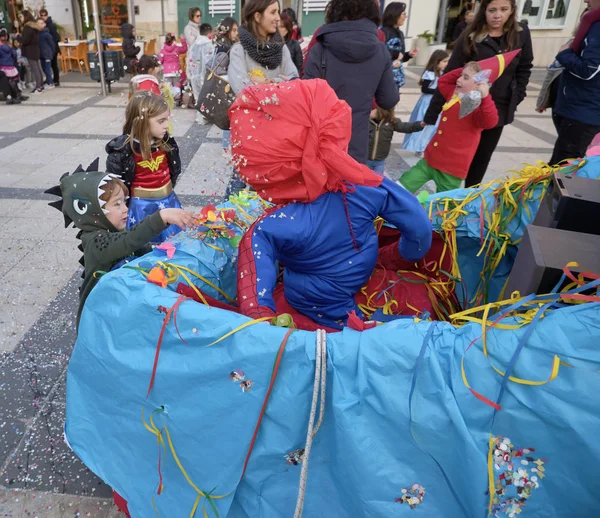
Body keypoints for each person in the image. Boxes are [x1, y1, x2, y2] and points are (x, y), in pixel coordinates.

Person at [231, 79, 433, 329]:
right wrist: (393, 258)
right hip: (365, 278)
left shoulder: (272, 225)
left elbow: (254, 298)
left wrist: (262, 320)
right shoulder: (364, 184)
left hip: (312, 301)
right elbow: (420, 227)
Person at [44, 159, 195, 327]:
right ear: (93, 211)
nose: (125, 208)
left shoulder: (116, 230)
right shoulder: (95, 241)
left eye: (124, 201)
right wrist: (161, 217)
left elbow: (142, 250)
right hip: (100, 318)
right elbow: (127, 241)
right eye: (117, 204)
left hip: (123, 308)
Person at [423, 0, 533, 188]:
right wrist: (431, 114)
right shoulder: (471, 36)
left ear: (512, 10)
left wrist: (517, 96)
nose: (497, 15)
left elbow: (524, 68)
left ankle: (470, 199)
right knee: (459, 158)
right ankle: (450, 196)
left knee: (481, 159)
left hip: (498, 109)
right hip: (468, 111)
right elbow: (451, 72)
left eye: (503, 9)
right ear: (484, 11)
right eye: (492, 10)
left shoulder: (521, 34)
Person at [398, 52, 522, 196]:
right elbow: (443, 81)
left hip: (451, 170)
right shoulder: (454, 93)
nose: (459, 79)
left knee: (445, 209)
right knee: (402, 186)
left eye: (465, 77)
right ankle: (386, 210)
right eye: (460, 75)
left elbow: (491, 121)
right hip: (430, 160)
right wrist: (468, 70)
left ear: (479, 84)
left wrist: (485, 96)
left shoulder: (477, 106)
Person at [304, 0, 399, 165]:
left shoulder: (321, 48)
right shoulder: (380, 50)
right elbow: (389, 99)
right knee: (350, 189)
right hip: (356, 144)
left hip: (321, 143)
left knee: (321, 188)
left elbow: (305, 96)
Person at [105, 92, 184, 243]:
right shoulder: (123, 151)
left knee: (173, 242)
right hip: (141, 208)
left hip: (168, 200)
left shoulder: (166, 143)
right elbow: (115, 186)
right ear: (140, 122)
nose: (166, 125)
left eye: (166, 119)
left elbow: (174, 169)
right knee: (145, 244)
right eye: (161, 121)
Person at [549, 0, 600, 165]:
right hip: (580, 108)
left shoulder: (597, 27)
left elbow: (589, 70)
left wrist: (564, 54)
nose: (585, 0)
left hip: (583, 112)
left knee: (563, 173)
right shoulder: (592, 21)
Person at [228, 0, 299, 96]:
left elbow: (294, 82)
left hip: (281, 110)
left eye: (278, 12)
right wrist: (280, 83)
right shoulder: (239, 51)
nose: (278, 18)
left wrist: (268, 81)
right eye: (273, 12)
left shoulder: (281, 48)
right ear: (257, 16)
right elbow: (243, 91)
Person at [402, 50, 449, 156]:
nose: (446, 64)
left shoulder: (442, 73)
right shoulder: (430, 73)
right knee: (425, 124)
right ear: (437, 61)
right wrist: (438, 92)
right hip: (427, 102)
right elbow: (425, 89)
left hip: (435, 102)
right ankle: (419, 147)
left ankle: (426, 146)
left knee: (434, 126)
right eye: (444, 61)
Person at [206, 17, 239, 152]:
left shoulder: (221, 45)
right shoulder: (226, 47)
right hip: (227, 86)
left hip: (226, 85)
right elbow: (221, 69)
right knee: (229, 117)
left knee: (229, 116)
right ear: (227, 31)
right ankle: (227, 145)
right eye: (234, 30)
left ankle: (227, 144)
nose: (237, 33)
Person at [367, 105, 424, 174]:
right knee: (363, 181)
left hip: (380, 160)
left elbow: (405, 127)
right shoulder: (366, 121)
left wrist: (420, 125)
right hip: (365, 159)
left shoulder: (391, 121)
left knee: (377, 180)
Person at [381, 2, 418, 89]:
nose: (406, 17)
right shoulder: (383, 32)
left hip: (396, 80)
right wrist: (395, 55)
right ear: (395, 14)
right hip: (384, 79)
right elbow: (380, 54)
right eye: (403, 14)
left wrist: (408, 55)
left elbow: (400, 58)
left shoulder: (400, 33)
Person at [188, 23, 215, 102]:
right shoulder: (209, 46)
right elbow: (211, 62)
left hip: (194, 78)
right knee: (207, 102)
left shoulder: (193, 46)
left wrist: (190, 75)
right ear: (209, 33)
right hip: (206, 77)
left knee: (198, 101)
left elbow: (190, 62)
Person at [0, 28, 26, 104]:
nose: (3, 37)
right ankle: (16, 94)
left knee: (8, 78)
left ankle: (12, 96)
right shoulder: (9, 46)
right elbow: (14, 55)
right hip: (9, 67)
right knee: (12, 78)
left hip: (3, 67)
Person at [20, 10, 43, 93]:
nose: (20, 19)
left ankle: (38, 87)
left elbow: (25, 40)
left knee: (35, 68)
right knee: (38, 68)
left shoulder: (27, 27)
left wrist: (18, 37)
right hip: (35, 49)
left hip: (30, 50)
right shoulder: (34, 26)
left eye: (21, 17)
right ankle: (40, 85)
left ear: (25, 17)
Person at [39, 8, 60, 87]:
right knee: (47, 65)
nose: (43, 16)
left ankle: (56, 80)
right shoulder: (43, 25)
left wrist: (53, 49)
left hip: (52, 48)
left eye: (44, 15)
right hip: (46, 48)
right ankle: (49, 79)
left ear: (47, 15)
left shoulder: (51, 25)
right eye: (42, 15)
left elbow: (55, 37)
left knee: (53, 65)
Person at [37, 18, 55, 88]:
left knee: (47, 69)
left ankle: (50, 83)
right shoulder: (37, 34)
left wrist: (51, 53)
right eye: (38, 23)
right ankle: (48, 80)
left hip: (47, 54)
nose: (40, 25)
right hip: (41, 54)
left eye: (41, 23)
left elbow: (52, 44)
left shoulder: (47, 34)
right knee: (44, 68)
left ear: (44, 24)